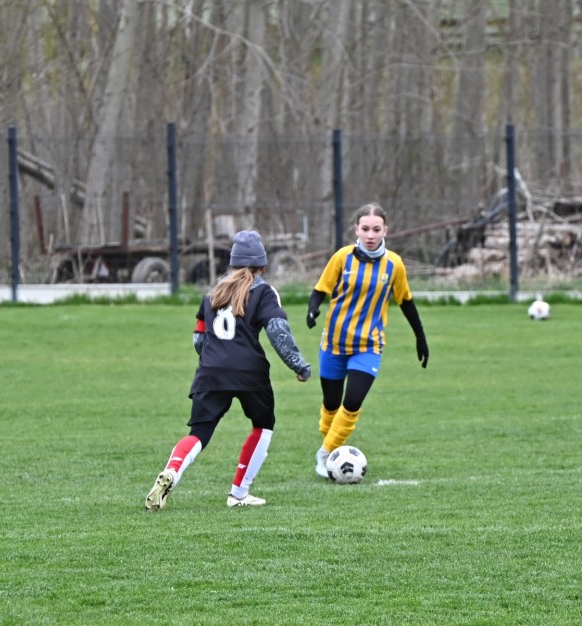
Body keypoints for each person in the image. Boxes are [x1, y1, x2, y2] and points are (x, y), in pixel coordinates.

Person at [145, 230, 311, 511]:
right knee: (263, 425)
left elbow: (198, 339)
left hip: (210, 371)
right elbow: (277, 331)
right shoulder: (264, 292)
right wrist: (299, 365)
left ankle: (172, 471)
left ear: (232, 263)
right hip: (249, 372)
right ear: (263, 266)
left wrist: (216, 359)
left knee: (199, 432)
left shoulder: (213, 292)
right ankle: (239, 494)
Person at [306, 203, 429, 478]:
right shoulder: (342, 258)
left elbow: (406, 301)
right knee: (331, 404)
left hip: (368, 346)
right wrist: (312, 309)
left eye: (376, 229)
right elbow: (320, 289)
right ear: (356, 230)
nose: (370, 235)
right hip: (334, 344)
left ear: (385, 230)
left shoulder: (394, 264)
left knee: (352, 402)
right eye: (365, 229)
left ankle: (325, 454)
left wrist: (420, 337)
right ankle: (332, 446)